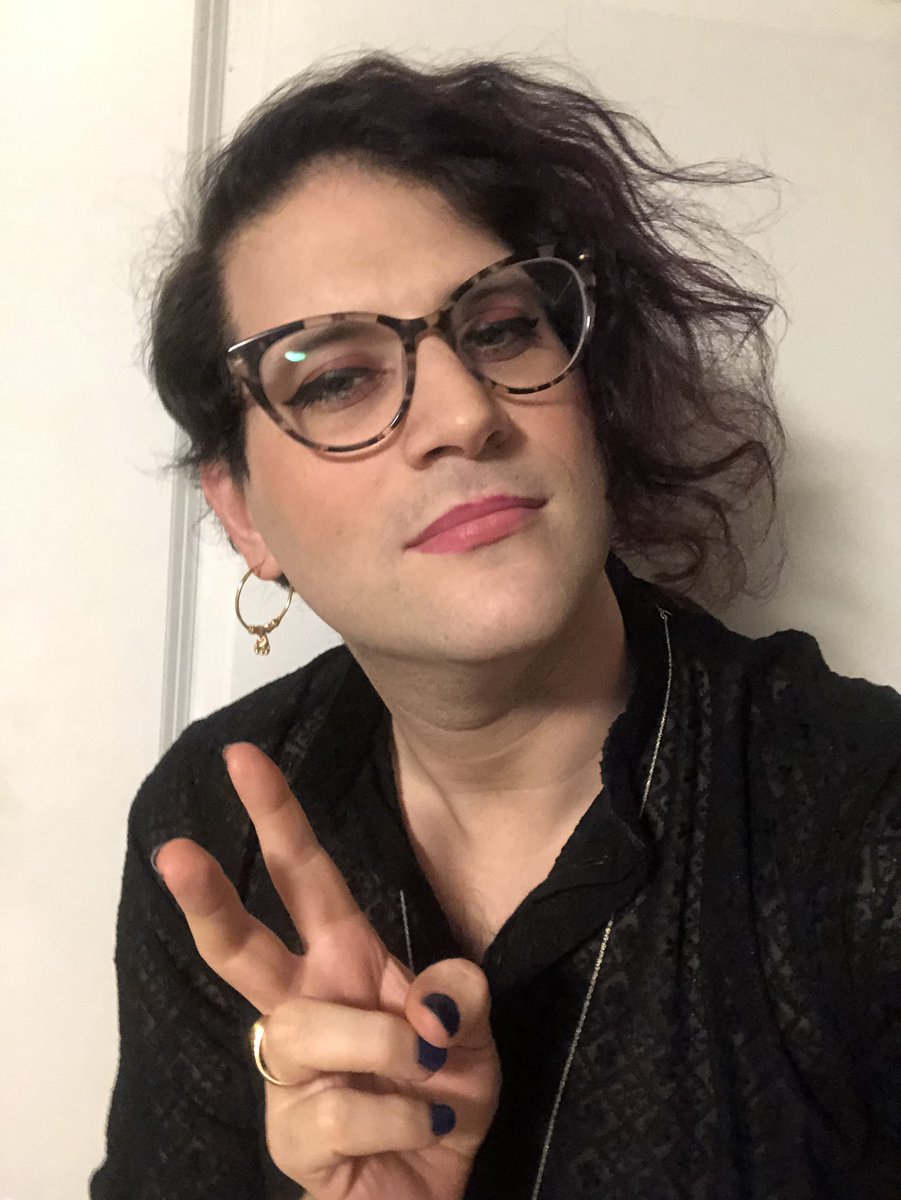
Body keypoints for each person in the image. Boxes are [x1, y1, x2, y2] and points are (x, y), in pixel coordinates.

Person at [91, 54, 901, 1200]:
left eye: (503, 328)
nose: (464, 413)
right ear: (242, 513)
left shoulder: (863, 815)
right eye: (336, 381)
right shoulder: (210, 827)